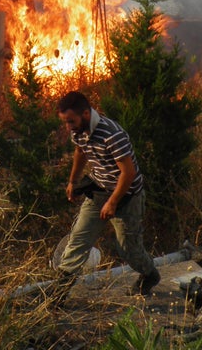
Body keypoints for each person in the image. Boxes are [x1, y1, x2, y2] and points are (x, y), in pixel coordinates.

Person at [52, 90, 160, 302]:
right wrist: (73, 181)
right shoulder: (78, 130)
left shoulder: (112, 134)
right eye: (65, 122)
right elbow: (80, 153)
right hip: (99, 191)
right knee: (78, 241)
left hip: (127, 196)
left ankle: (150, 274)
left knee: (129, 249)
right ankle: (57, 296)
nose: (68, 128)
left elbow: (128, 173)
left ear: (85, 114)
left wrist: (113, 203)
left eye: (71, 121)